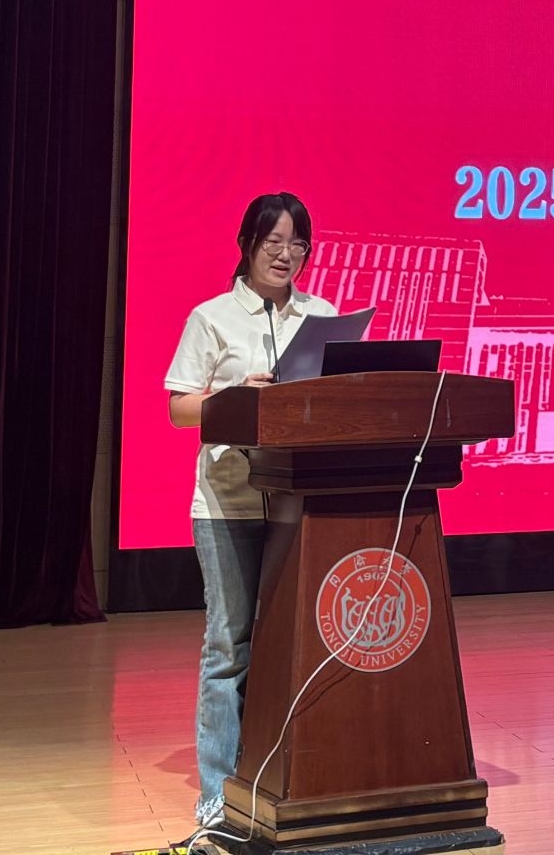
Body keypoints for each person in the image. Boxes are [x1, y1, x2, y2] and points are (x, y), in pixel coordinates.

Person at [164, 192, 338, 832]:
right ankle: (216, 793)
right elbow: (179, 408)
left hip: (299, 502)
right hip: (229, 502)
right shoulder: (211, 317)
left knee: (296, 644)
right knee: (229, 645)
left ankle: (291, 780)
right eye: (273, 242)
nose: (285, 255)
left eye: (297, 244)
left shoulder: (322, 317)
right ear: (247, 245)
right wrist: (238, 395)